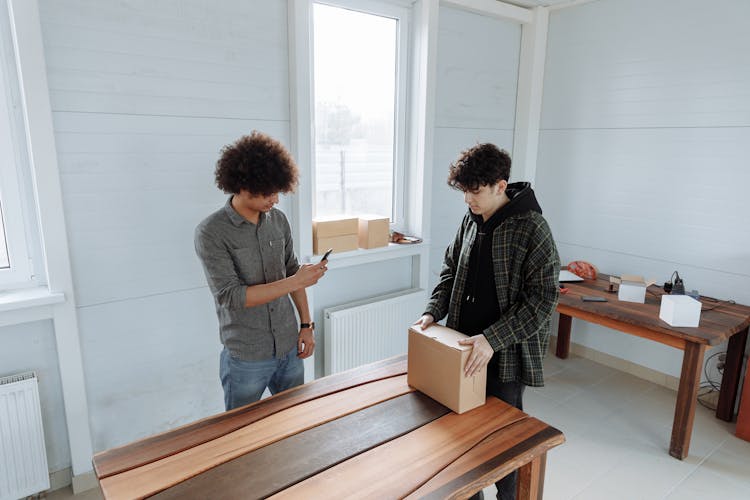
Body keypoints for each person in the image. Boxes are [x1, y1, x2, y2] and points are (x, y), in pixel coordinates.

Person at [414, 143, 559, 500]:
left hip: (503, 356)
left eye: (474, 192)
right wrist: (433, 311)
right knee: (462, 439)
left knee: (504, 446)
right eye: (464, 192)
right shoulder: (471, 218)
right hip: (463, 350)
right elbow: (451, 270)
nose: (468, 200)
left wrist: (492, 339)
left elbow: (542, 300)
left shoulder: (533, 228)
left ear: (499, 185)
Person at [195, 131, 327, 411]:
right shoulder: (211, 233)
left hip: (290, 347)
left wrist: (306, 326)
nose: (276, 200)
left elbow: (292, 271)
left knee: (294, 424)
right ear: (243, 185)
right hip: (247, 356)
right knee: (240, 436)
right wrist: (295, 281)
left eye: (278, 191)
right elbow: (232, 296)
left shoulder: (278, 221)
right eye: (269, 192)